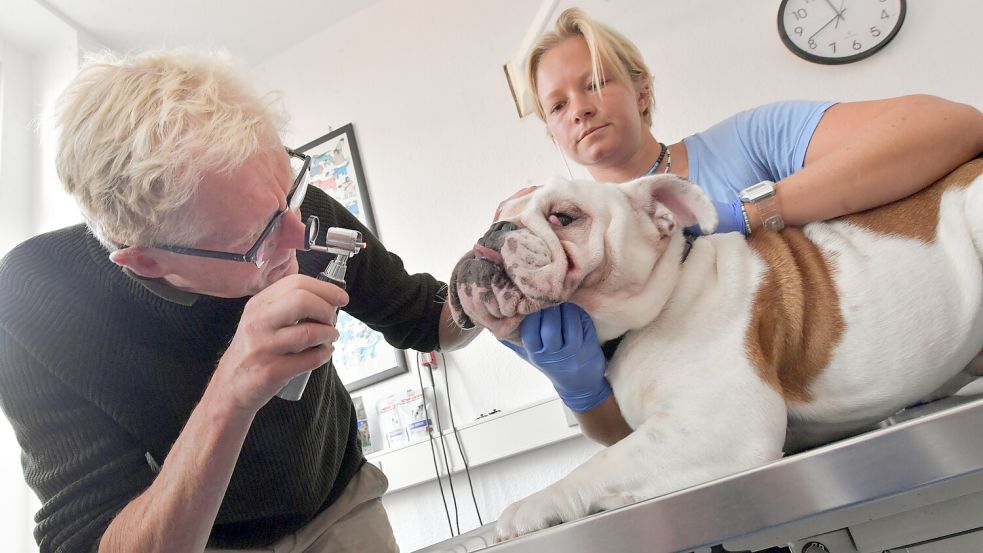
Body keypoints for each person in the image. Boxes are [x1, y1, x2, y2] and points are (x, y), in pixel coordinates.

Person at [0, 50, 476, 553]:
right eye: (257, 235)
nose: (299, 234)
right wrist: (232, 392)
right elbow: (91, 541)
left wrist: (493, 284)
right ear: (148, 263)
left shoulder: (289, 210)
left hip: (340, 505)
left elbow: (427, 319)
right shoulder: (32, 299)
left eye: (290, 192)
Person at [505, 7, 983, 447]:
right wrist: (579, 389)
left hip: (902, 388)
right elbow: (634, 440)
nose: (580, 109)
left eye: (595, 83)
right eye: (558, 105)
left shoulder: (747, 145)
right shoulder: (560, 262)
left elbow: (953, 126)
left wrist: (752, 212)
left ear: (642, 91)